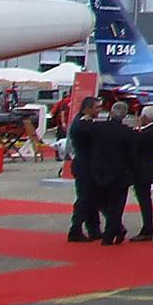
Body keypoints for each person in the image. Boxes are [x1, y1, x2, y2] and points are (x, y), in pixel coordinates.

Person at [88, 101, 138, 246]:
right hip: (120, 174)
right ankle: (110, 234)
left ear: (110, 112)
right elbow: (132, 156)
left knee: (102, 202)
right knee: (117, 206)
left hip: (100, 172)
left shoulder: (97, 128)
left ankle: (116, 229)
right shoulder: (128, 133)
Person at [64, 96, 102, 243]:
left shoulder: (84, 123)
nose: (99, 110)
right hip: (84, 166)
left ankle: (93, 229)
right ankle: (76, 229)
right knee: (85, 199)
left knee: (92, 198)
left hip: (88, 165)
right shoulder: (81, 125)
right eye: (96, 108)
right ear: (88, 109)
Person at [130, 107, 153, 242]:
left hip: (142, 170)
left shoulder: (147, 134)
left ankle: (147, 228)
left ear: (145, 118)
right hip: (147, 169)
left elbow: (135, 148)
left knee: (144, 200)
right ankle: (147, 227)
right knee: (145, 199)